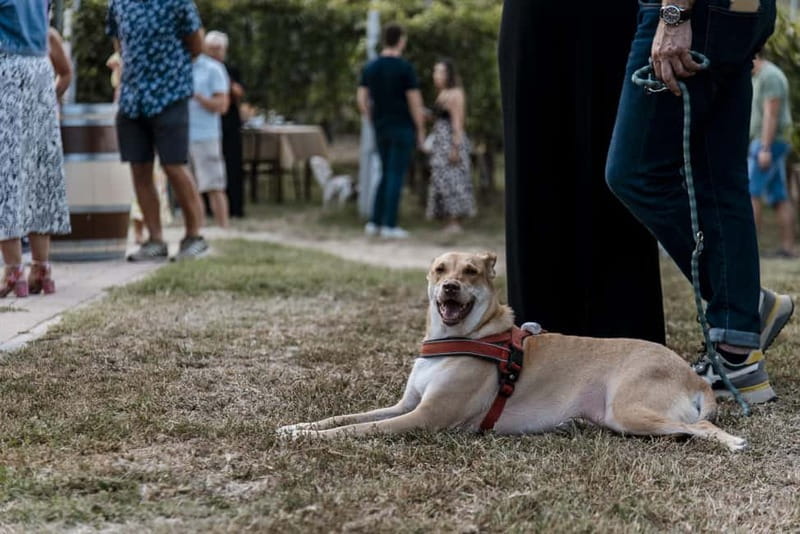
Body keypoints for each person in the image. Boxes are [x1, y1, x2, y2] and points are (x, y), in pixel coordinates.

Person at [605, 0, 793, 404]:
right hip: (743, 12)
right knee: (720, 180)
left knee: (634, 172)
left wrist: (675, 13)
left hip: (696, 11)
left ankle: (742, 307)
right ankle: (738, 353)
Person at [498, 2, 667, 345]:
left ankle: (625, 337)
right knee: (534, 167)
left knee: (614, 165)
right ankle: (539, 339)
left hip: (615, 19)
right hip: (534, 18)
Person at [106, 0, 209, 261]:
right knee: (139, 167)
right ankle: (155, 240)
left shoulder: (178, 2)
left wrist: (163, 67)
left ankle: (194, 236)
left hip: (170, 93)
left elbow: (196, 46)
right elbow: (118, 42)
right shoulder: (118, 3)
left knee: (174, 165)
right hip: (132, 97)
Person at [0, 2, 72, 298]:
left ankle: (13, 271)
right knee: (40, 172)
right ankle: (42, 268)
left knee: (7, 172)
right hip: (40, 71)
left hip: (6, 68)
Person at [358, 23, 426, 239]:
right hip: (402, 127)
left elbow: (361, 100)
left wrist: (373, 119)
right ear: (401, 40)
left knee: (385, 173)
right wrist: (421, 129)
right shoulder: (405, 68)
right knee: (396, 175)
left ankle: (374, 222)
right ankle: (390, 224)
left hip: (381, 127)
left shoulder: (370, 67)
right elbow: (414, 102)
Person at [749, 52, 796, 258]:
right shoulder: (758, 76)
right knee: (779, 196)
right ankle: (787, 248)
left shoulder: (771, 76)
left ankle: (749, 248)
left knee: (751, 193)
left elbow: (772, 114)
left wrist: (765, 148)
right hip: (764, 142)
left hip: (769, 143)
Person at [426, 59, 476, 233]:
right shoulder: (442, 93)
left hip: (451, 142)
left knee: (454, 180)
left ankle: (456, 220)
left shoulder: (456, 94)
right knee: (441, 180)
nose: (436, 75)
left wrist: (455, 147)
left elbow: (458, 122)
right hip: (440, 142)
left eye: (439, 71)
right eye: (435, 71)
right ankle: (447, 219)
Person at [189, 34, 231, 229]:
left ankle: (223, 228)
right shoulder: (177, 66)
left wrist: (199, 98)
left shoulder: (213, 69)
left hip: (205, 136)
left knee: (214, 185)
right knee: (190, 187)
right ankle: (198, 228)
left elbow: (222, 106)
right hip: (180, 135)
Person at [204, 30, 246, 219]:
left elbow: (239, 92)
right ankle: (207, 207)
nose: (214, 52)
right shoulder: (201, 70)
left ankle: (235, 206)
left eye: (218, 49)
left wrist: (224, 80)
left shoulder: (230, 70)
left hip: (229, 123)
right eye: (211, 49)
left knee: (232, 164)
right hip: (207, 123)